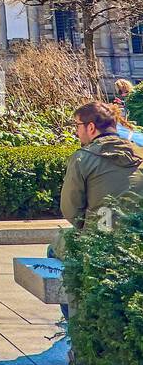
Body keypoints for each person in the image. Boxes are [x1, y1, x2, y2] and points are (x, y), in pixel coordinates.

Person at [53, 102, 143, 259]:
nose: (76, 132)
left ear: (91, 127)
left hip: (99, 244)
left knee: (56, 245)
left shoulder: (82, 158)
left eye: (77, 125)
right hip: (137, 243)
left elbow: (71, 211)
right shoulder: (140, 155)